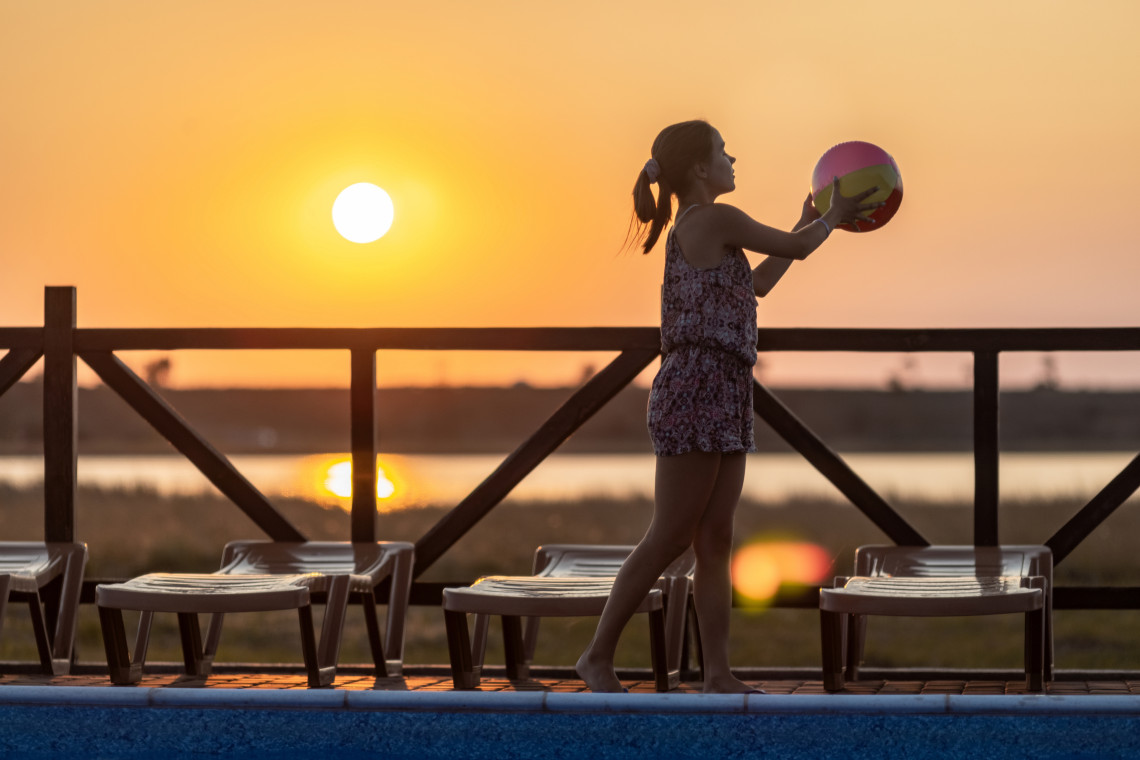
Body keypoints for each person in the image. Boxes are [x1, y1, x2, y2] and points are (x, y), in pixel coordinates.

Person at [575, 120, 882, 693]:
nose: (732, 158)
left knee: (715, 537)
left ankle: (717, 672)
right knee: (669, 534)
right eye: (723, 152)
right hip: (696, 385)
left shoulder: (712, 227)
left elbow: (762, 280)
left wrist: (804, 222)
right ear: (699, 168)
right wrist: (832, 216)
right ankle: (596, 657)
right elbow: (798, 250)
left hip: (725, 387)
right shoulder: (712, 218)